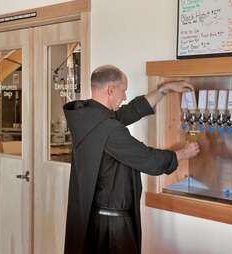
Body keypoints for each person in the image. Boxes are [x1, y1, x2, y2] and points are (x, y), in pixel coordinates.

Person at [63, 65, 200, 254]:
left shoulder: (88, 117)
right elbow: (148, 160)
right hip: (112, 227)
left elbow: (128, 112)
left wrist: (163, 90)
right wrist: (181, 154)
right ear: (110, 90)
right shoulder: (108, 129)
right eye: (123, 90)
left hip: (97, 218)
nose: (125, 96)